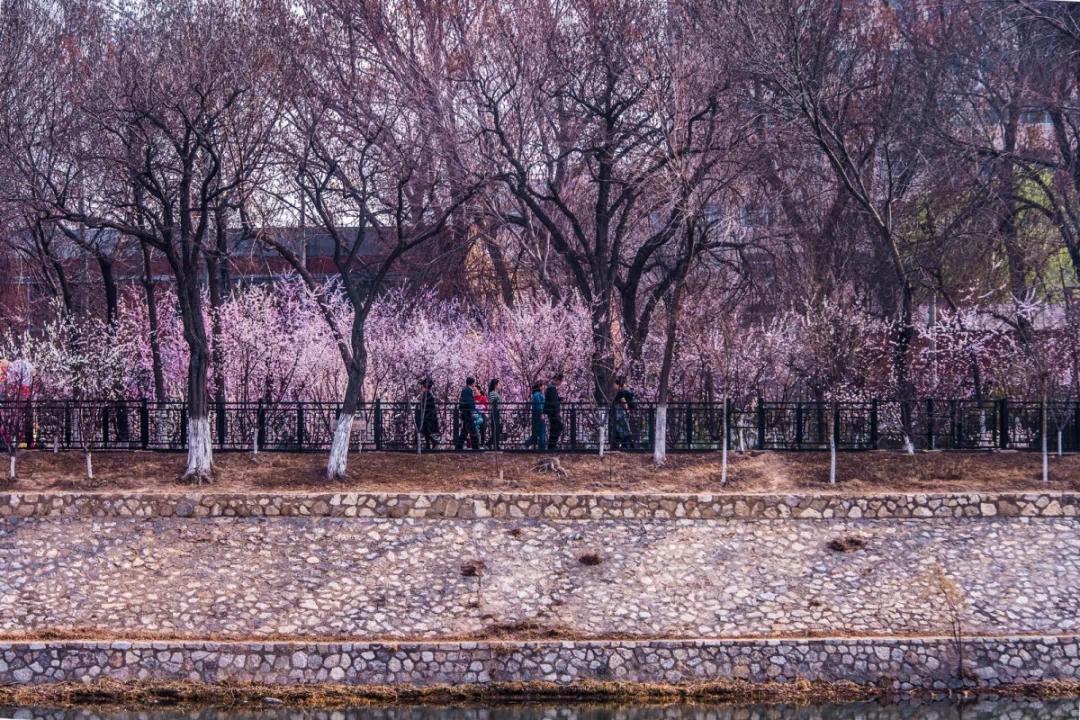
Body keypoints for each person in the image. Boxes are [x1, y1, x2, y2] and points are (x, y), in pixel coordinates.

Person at [414, 378, 439, 451]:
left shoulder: (427, 394)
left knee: (427, 430)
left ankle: (432, 443)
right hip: (429, 415)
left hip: (428, 416)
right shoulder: (428, 394)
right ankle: (430, 444)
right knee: (426, 431)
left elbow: (426, 405)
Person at [456, 377, 480, 451]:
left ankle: (459, 446)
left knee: (464, 431)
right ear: (472, 383)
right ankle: (475, 447)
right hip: (468, 413)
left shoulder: (465, 390)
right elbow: (469, 402)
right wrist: (472, 411)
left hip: (465, 413)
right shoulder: (468, 390)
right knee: (473, 431)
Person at [612, 376, 636, 449]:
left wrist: (626, 409)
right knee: (623, 429)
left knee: (623, 429)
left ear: (618, 384)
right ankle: (625, 444)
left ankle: (627, 445)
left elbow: (623, 401)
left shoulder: (622, 392)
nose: (613, 386)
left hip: (620, 413)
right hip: (621, 412)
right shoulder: (626, 390)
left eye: (614, 385)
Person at [524, 381, 547, 450]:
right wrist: (541, 414)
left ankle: (529, 443)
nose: (544, 387)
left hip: (537, 414)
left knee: (537, 431)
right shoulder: (537, 395)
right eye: (543, 385)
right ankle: (541, 447)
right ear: (539, 387)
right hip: (538, 414)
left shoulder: (538, 394)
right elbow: (538, 405)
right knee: (541, 431)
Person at [544, 373, 564, 450]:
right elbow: (553, 401)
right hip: (553, 412)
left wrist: (559, 399)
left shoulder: (551, 387)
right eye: (560, 382)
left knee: (555, 428)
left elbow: (553, 399)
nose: (560, 384)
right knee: (557, 427)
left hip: (552, 412)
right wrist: (558, 403)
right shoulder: (551, 388)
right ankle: (552, 446)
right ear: (557, 380)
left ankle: (552, 445)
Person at [487, 378, 502, 449]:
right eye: (499, 384)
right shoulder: (492, 393)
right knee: (496, 429)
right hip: (494, 413)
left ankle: (493, 444)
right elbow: (494, 403)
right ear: (496, 385)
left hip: (497, 413)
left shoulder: (495, 393)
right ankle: (493, 444)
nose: (500, 385)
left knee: (497, 429)